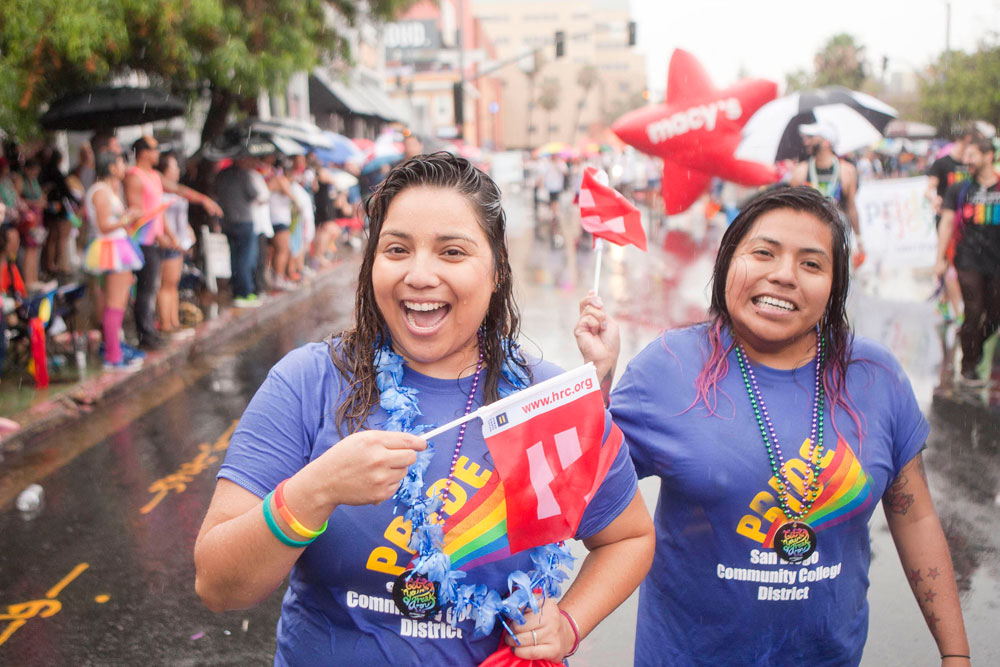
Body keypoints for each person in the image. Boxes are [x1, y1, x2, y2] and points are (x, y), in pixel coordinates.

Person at [194, 152, 655, 665]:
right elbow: (218, 586)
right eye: (397, 249)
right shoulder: (308, 382)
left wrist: (568, 623)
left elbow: (629, 536)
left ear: (498, 268)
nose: (419, 275)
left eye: (452, 252)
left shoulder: (546, 401)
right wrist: (314, 492)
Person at [576, 186, 971, 666]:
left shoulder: (876, 376)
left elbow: (916, 517)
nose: (784, 276)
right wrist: (596, 386)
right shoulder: (669, 367)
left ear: (834, 286)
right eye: (763, 253)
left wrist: (956, 654)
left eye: (811, 263)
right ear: (726, 263)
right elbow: (582, 498)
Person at [125, 136, 222, 349]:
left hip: (156, 240)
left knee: (153, 286)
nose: (157, 152)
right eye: (154, 148)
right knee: (147, 289)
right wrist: (159, 234)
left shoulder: (154, 176)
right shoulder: (134, 176)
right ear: (143, 152)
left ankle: (151, 331)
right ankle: (146, 335)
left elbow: (179, 190)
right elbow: (137, 211)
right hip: (143, 241)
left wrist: (204, 200)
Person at [934, 137, 1000, 388]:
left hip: (996, 261)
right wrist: (939, 259)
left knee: (995, 314)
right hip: (968, 258)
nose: (966, 161)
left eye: (972, 155)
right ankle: (968, 365)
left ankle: (973, 341)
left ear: (988, 155)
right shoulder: (959, 190)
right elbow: (947, 223)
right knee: (974, 308)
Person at [83, 151, 146, 370]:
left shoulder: (109, 190)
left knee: (118, 303)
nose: (124, 167)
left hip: (116, 246)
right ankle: (113, 355)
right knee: (115, 304)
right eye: (121, 163)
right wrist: (127, 218)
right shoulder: (100, 192)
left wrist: (127, 218)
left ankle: (114, 349)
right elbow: (103, 226)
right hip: (111, 249)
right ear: (111, 167)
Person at [927, 126, 981, 325]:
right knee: (950, 265)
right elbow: (929, 188)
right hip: (947, 221)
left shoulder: (973, 166)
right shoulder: (943, 163)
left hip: (969, 223)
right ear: (966, 139)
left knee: (965, 265)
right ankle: (959, 312)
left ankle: (948, 299)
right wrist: (934, 199)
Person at [790, 121, 864, 258]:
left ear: (826, 142)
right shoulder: (800, 172)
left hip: (838, 239)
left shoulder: (846, 171)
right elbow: (794, 210)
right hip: (809, 239)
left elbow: (851, 207)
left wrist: (859, 239)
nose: (806, 142)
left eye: (811, 138)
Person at [214, 153, 269, 308]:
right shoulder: (244, 175)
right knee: (245, 257)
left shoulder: (222, 175)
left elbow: (217, 192)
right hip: (244, 220)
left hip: (227, 221)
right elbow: (255, 195)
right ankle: (244, 292)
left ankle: (238, 290)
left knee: (235, 256)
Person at [157, 152, 196, 339]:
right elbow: (161, 216)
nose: (177, 171)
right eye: (173, 167)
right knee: (167, 284)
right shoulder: (160, 191)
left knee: (174, 284)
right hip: (169, 242)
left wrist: (188, 233)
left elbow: (182, 217)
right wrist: (173, 238)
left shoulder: (176, 190)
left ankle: (174, 322)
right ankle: (166, 324)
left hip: (179, 241)